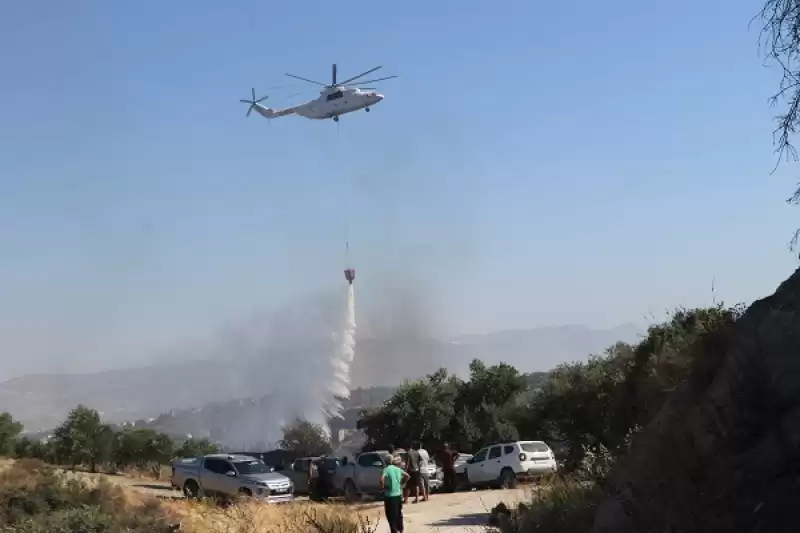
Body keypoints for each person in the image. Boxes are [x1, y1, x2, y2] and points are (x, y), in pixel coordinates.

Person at [381, 454, 409, 533]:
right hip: (398, 495)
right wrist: (401, 484)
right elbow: (407, 476)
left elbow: (381, 479)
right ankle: (401, 529)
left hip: (389, 496)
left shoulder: (386, 470)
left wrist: (383, 487)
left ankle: (394, 530)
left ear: (386, 462)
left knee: (390, 515)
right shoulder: (398, 469)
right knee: (398, 513)